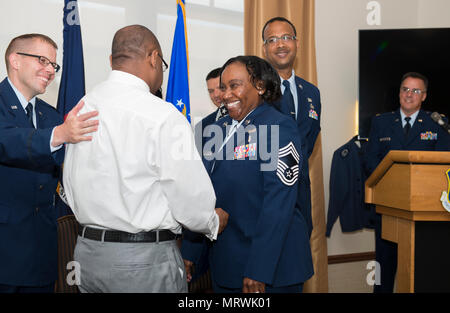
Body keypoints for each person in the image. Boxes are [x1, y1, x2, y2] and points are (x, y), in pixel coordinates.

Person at [62, 25, 228, 293]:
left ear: (112, 61)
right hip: (143, 261)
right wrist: (212, 221)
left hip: (86, 256)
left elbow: (69, 184)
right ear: (153, 58)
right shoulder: (163, 115)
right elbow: (189, 198)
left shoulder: (83, 106)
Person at [182, 55, 314, 293]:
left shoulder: (279, 127)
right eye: (223, 87)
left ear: (261, 86)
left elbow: (278, 205)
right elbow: (204, 192)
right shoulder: (215, 130)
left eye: (235, 85)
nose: (225, 94)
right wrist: (190, 252)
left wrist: (258, 269)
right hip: (226, 263)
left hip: (270, 270)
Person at [0, 33, 98, 293]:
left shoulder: (51, 115)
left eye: (53, 65)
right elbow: (8, 141)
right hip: (5, 251)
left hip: (42, 254)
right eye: (42, 60)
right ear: (15, 60)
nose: (50, 70)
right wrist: (59, 135)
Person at [365, 72, 450, 293]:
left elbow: (443, 166)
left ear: (424, 96)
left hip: (424, 213)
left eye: (415, 91)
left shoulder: (437, 123)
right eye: (405, 89)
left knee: (422, 271)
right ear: (399, 92)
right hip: (388, 208)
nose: (409, 94)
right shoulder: (381, 122)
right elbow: (370, 160)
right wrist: (394, 186)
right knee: (383, 268)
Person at [262, 17, 322, 235]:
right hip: (264, 200)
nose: (281, 44)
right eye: (273, 39)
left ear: (297, 43)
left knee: (299, 266)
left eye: (287, 37)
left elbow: (309, 142)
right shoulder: (255, 91)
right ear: (265, 48)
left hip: (300, 199)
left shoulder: (312, 93)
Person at [194, 68, 228, 154]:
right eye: (211, 91)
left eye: (220, 88)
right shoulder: (201, 126)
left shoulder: (245, 118)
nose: (216, 95)